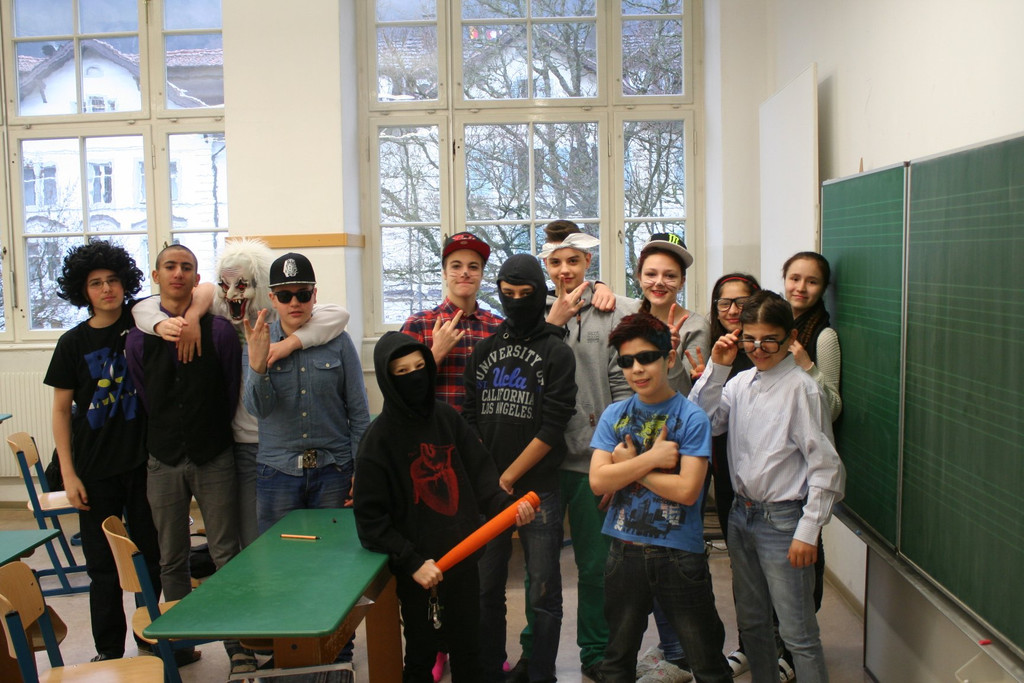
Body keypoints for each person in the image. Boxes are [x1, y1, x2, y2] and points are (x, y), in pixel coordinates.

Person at [133, 238, 350, 549]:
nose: (232, 293)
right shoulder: (219, 311)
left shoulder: (280, 315)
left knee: (315, 539)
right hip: (243, 444)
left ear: (262, 289)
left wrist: (288, 344)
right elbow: (143, 308)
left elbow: (338, 315)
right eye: (226, 285)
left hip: (285, 443)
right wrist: (189, 317)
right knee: (254, 539)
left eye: (243, 285)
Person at [354, 331, 536, 682]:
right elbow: (370, 520)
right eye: (402, 372)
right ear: (388, 380)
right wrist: (411, 562)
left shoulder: (447, 418)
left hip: (463, 560)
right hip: (420, 572)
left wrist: (507, 508)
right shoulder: (377, 440)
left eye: (419, 367)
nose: (414, 377)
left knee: (469, 650)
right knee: (421, 655)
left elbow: (482, 474)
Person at [690, 290, 846, 683]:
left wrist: (808, 531)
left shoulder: (802, 389)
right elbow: (702, 422)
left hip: (784, 521)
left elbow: (827, 467)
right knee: (753, 623)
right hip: (741, 515)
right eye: (750, 339)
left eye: (769, 340)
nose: (758, 349)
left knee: (798, 633)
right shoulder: (741, 382)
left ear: (790, 337)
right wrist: (717, 368)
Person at [505, 220, 635, 682]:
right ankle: (534, 655)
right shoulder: (530, 313)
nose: (564, 270)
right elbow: (519, 372)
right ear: (546, 265)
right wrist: (553, 325)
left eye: (573, 261)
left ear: (588, 262)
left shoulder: (612, 309)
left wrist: (617, 459)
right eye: (556, 262)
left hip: (591, 461)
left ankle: (595, 653)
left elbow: (624, 388)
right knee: (539, 572)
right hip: (539, 463)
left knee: (595, 566)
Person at [242, 252, 369, 677]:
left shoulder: (338, 341)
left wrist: (361, 471)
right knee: (282, 567)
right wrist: (257, 365)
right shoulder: (259, 338)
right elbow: (257, 409)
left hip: (333, 470)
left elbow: (358, 412)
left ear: (315, 295)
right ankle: (290, 652)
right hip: (278, 473)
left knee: (337, 565)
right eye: (285, 295)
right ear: (272, 298)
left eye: (302, 293)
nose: (294, 302)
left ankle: (338, 652)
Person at [589, 312, 732, 683]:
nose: (636, 369)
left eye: (646, 358)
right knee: (617, 661)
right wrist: (651, 460)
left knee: (706, 661)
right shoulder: (614, 414)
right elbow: (599, 481)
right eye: (626, 362)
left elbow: (687, 491)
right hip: (624, 552)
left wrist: (628, 467)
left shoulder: (692, 417)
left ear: (669, 358)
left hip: (679, 554)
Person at [43, 241, 162, 663]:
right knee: (102, 567)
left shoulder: (143, 322)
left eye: (113, 280)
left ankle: (153, 644)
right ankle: (109, 652)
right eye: (96, 283)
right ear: (83, 291)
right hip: (94, 469)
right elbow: (61, 411)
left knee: (151, 558)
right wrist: (69, 474)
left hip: (145, 464)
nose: (107, 289)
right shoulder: (72, 343)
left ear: (125, 282)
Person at [125, 243, 242, 668]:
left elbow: (231, 388)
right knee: (170, 556)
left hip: (214, 454)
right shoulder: (139, 337)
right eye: (170, 266)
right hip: (163, 458)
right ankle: (180, 646)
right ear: (156, 276)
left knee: (226, 552)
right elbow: (145, 392)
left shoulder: (220, 332)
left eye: (187, 267)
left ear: (196, 278)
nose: (178, 273)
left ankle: (239, 647)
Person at [464, 254, 577, 683]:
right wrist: (489, 479)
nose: (514, 301)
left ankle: (541, 672)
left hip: (538, 489)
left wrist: (509, 476)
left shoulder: (556, 351)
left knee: (543, 590)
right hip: (489, 491)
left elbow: (553, 425)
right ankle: (490, 669)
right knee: (485, 587)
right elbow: (470, 418)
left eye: (524, 294)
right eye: (506, 294)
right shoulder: (483, 350)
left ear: (539, 294)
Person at [400, 232, 504, 414]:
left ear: (481, 274)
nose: (465, 272)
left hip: (487, 428)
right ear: (444, 273)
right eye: (456, 266)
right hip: (436, 428)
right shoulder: (418, 325)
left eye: (473, 267)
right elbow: (401, 391)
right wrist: (435, 354)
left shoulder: (498, 327)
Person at [636, 233, 710, 394]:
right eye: (651, 274)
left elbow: (687, 393)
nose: (659, 282)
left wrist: (669, 353)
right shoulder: (627, 316)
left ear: (682, 282)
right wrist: (598, 285)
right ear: (639, 277)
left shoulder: (696, 327)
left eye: (670, 276)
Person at [782, 251, 842, 422]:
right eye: (795, 279)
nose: (801, 288)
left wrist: (808, 367)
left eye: (812, 282)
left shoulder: (825, 337)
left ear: (823, 289)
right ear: (785, 280)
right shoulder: (776, 327)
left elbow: (832, 410)